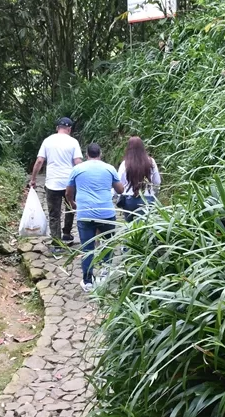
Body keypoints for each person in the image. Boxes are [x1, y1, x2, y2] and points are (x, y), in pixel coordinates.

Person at [65, 143, 123, 291]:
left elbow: (68, 191)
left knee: (87, 248)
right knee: (107, 245)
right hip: (106, 213)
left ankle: (88, 282)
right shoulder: (109, 168)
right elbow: (120, 189)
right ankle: (104, 276)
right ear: (100, 154)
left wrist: (72, 202)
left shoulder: (77, 169)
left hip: (85, 214)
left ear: (86, 154)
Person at [29, 117, 82, 245]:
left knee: (54, 214)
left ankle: (56, 242)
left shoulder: (47, 141)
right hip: (69, 184)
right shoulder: (73, 142)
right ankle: (67, 233)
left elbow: (40, 161)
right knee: (70, 208)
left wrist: (33, 179)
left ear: (57, 128)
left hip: (52, 183)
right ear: (69, 129)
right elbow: (78, 162)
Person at [116, 136, 161, 221]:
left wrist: (117, 195)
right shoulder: (151, 162)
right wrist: (154, 194)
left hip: (128, 199)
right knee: (144, 227)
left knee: (129, 226)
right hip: (147, 198)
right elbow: (157, 182)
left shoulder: (125, 163)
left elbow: (119, 182)